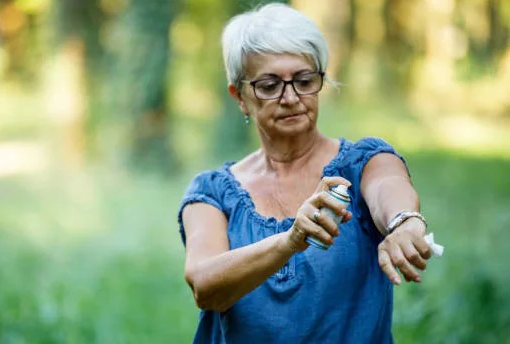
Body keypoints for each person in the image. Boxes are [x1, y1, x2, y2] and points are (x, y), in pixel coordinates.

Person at [177, 3, 432, 343]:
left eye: (303, 80)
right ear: (239, 96)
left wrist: (404, 221)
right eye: (269, 85)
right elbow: (205, 287)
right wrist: (290, 241)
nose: (290, 97)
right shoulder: (212, 192)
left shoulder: (363, 162)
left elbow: (389, 187)